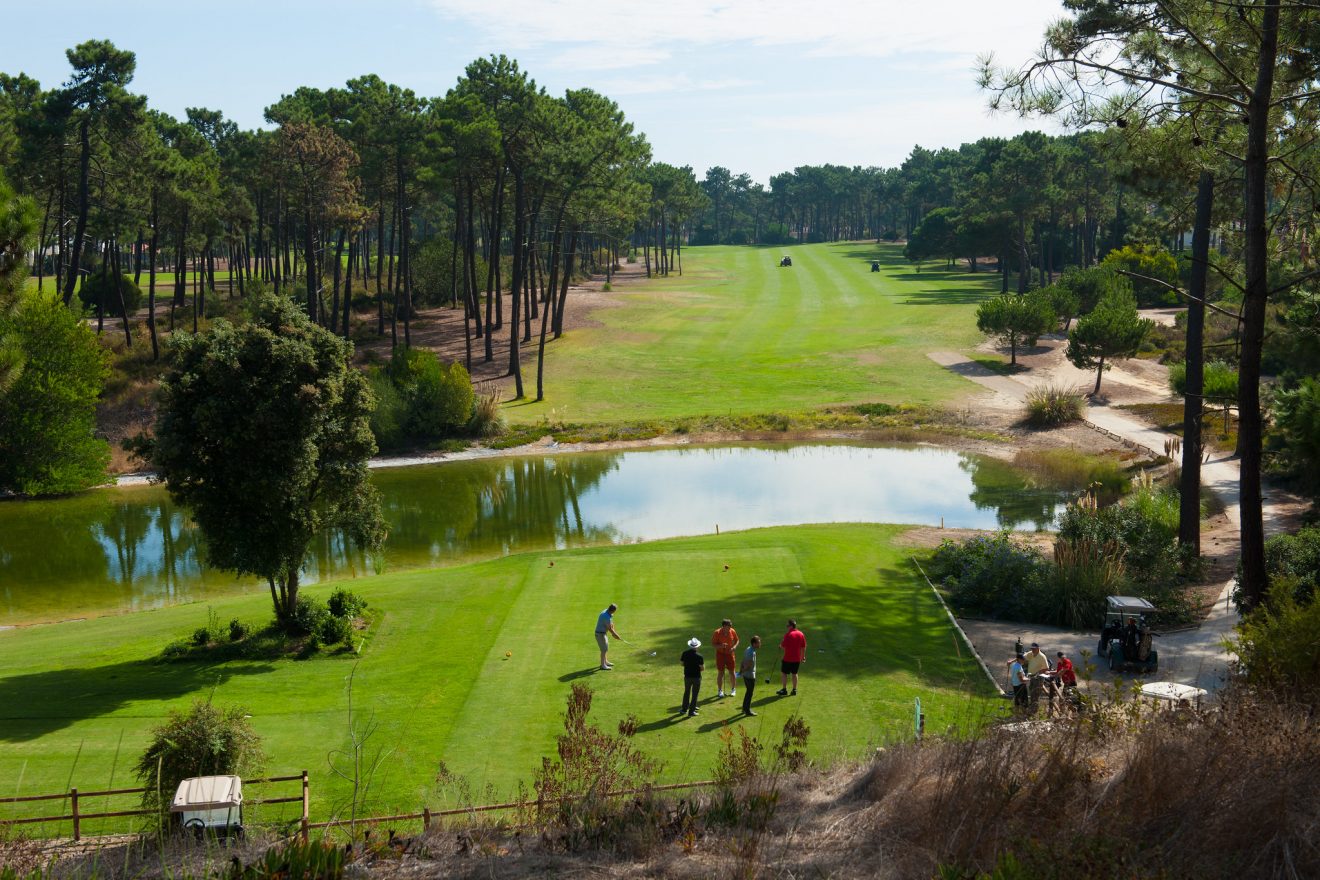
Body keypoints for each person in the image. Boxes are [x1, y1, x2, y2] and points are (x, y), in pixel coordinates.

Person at [777, 619, 806, 696]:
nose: (787, 627)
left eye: (787, 626)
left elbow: (783, 646)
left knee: (784, 673)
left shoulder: (788, 635)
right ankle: (794, 690)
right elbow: (803, 647)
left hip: (787, 658)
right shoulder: (801, 634)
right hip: (797, 659)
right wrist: (803, 657)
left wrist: (780, 646)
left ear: (791, 626)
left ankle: (784, 689)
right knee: (794, 673)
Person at [713, 619, 740, 698]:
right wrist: (721, 646)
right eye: (729, 626)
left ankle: (733, 689)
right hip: (720, 654)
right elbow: (713, 644)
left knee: (732, 672)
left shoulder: (732, 631)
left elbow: (737, 640)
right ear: (724, 626)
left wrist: (734, 647)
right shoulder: (717, 633)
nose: (730, 628)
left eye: (730, 626)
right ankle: (720, 690)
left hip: (730, 654)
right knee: (721, 672)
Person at [680, 637, 705, 716]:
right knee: (695, 694)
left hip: (687, 676)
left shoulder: (685, 653)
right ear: (697, 646)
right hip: (696, 677)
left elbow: (681, 663)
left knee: (686, 692)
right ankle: (691, 711)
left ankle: (684, 709)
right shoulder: (699, 656)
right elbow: (702, 668)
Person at [740, 636, 761, 716]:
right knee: (749, 693)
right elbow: (749, 665)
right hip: (750, 675)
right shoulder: (751, 652)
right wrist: (742, 671)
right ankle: (747, 710)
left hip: (746, 675)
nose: (760, 644)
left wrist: (741, 670)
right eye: (758, 642)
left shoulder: (748, 649)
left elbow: (743, 661)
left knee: (748, 692)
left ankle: (744, 708)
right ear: (754, 643)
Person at [595, 603, 620, 670]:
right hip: (600, 634)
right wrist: (615, 635)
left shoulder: (608, 612)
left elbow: (611, 623)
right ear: (613, 610)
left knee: (606, 648)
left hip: (603, 634)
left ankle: (605, 662)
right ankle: (603, 665)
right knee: (604, 649)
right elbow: (609, 628)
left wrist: (614, 634)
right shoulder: (605, 616)